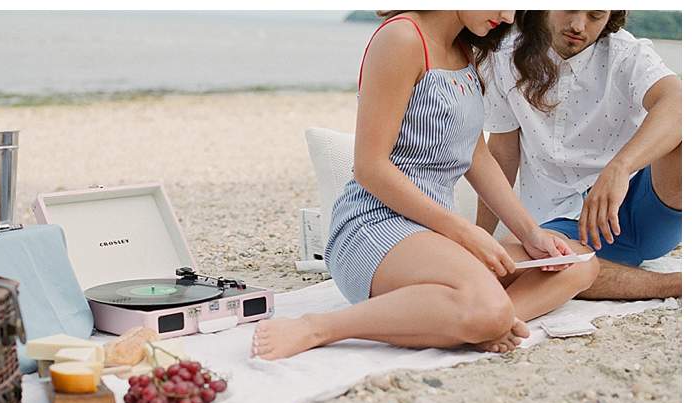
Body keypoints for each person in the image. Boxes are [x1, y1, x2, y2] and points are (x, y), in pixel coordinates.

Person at [252, 10, 599, 361]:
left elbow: (477, 157)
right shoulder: (402, 39)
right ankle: (319, 326)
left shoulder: (467, 49)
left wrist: (530, 234)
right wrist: (467, 233)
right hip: (376, 227)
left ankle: (484, 321)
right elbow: (370, 168)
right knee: (487, 304)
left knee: (581, 265)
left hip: (437, 237)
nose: (507, 15)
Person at [477, 10, 681, 299]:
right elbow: (501, 154)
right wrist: (481, 238)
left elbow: (678, 102)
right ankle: (674, 284)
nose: (578, 25)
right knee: (502, 266)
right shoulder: (503, 57)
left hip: (642, 209)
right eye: (570, 8)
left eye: (595, 15)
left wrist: (619, 168)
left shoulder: (627, 53)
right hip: (558, 224)